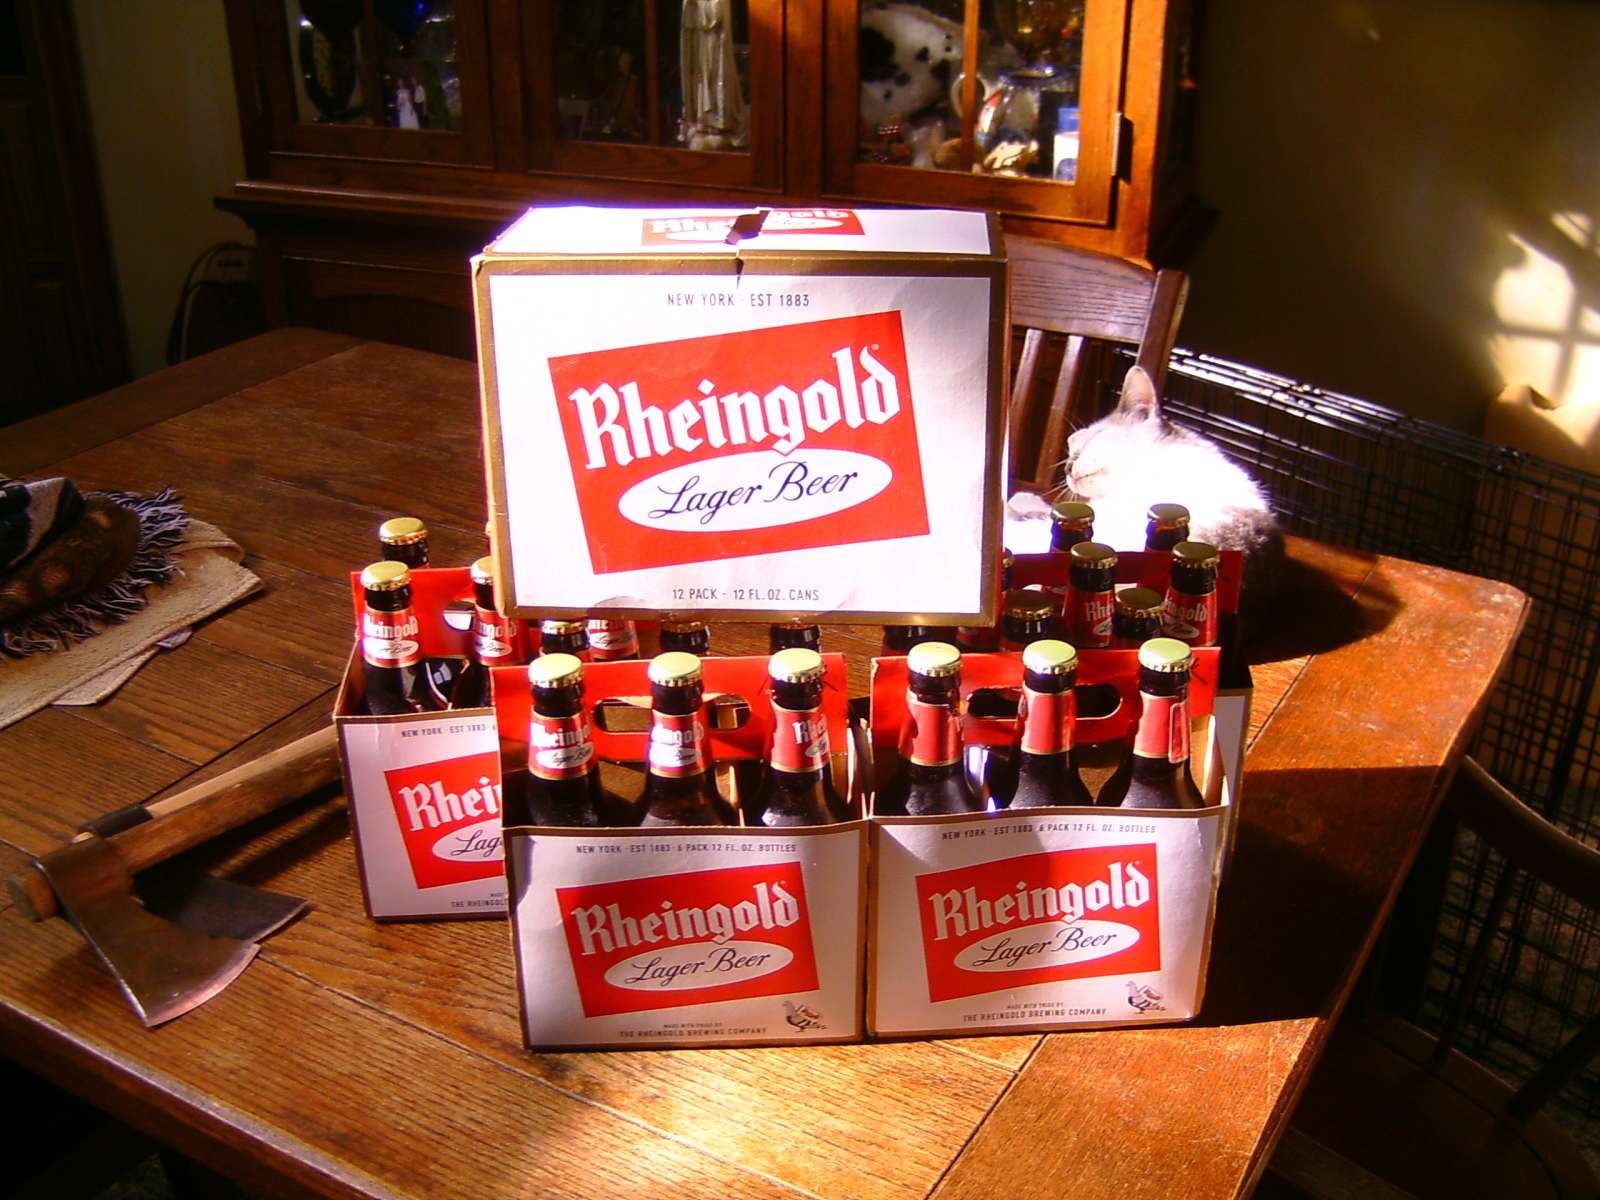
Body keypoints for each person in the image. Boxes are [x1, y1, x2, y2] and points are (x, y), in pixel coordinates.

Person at [680, 0, 747, 150]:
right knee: (699, 76)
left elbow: (717, 14)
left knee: (715, 76)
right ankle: (701, 121)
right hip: (698, 37)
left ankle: (717, 124)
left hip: (713, 38)